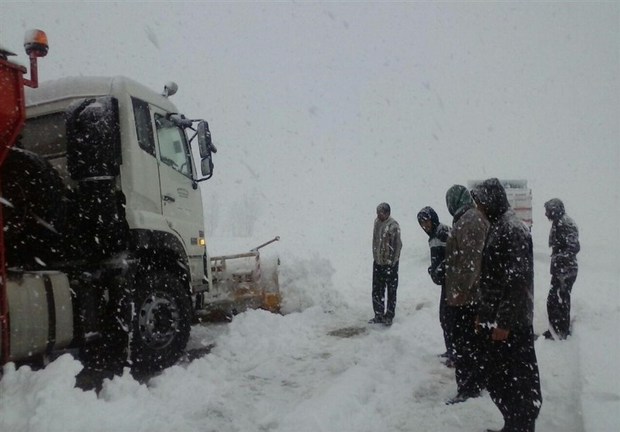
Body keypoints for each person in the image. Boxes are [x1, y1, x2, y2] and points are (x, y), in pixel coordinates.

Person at [472, 178, 542, 432]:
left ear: (492, 201)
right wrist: (484, 313)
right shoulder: (499, 225)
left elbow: (516, 283)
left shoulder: (513, 229)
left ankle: (521, 425)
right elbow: (492, 279)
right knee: (499, 379)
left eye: (480, 203)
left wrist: (503, 322)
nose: (478, 208)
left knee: (517, 382)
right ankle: (512, 424)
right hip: (498, 320)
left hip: (512, 325)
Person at [443, 185, 489, 404]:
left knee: (465, 343)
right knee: (470, 343)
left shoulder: (470, 221)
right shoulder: (468, 218)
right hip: (471, 295)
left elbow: (471, 260)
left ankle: (469, 387)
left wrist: (460, 291)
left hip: (468, 298)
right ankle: (474, 382)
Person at [417, 206, 453, 363]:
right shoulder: (435, 235)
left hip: (452, 283)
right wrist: (434, 270)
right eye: (422, 224)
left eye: (426, 222)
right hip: (448, 282)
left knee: (448, 318)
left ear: (433, 219)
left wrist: (438, 271)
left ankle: (454, 353)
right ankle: (451, 350)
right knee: (445, 317)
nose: (425, 226)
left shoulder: (441, 233)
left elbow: (452, 256)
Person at [543, 198, 580, 340]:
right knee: (557, 300)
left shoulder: (566, 223)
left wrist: (559, 260)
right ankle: (557, 329)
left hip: (566, 270)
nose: (546, 215)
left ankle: (560, 331)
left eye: (548, 211)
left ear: (555, 209)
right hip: (561, 270)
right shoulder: (559, 222)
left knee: (558, 300)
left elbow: (573, 247)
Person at [370, 202, 402, 326]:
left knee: (391, 290)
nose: (379, 216)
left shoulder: (393, 226)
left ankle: (389, 315)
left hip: (390, 265)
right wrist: (376, 257)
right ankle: (378, 314)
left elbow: (398, 245)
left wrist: (392, 262)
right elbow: (375, 240)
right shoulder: (377, 223)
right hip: (378, 262)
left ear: (388, 213)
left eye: (381, 213)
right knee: (377, 289)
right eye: (377, 213)